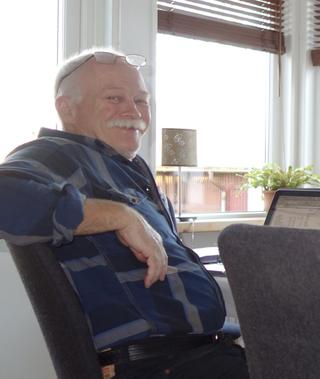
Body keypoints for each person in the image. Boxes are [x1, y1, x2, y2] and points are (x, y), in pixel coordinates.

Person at [0, 49, 246, 378]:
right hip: (159, 365)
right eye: (114, 98)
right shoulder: (56, 156)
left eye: (141, 100)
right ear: (66, 108)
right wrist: (121, 215)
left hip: (202, 354)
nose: (133, 111)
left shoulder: (128, 171)